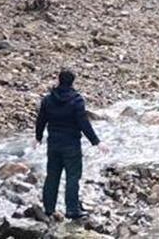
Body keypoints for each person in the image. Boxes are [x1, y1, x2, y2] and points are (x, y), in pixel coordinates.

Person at [35, 70, 103, 220]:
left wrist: (38, 138)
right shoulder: (77, 101)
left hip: (53, 144)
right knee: (72, 177)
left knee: (52, 176)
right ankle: (71, 210)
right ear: (72, 82)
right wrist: (96, 142)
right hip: (71, 145)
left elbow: (41, 120)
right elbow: (84, 124)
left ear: (59, 81)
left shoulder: (48, 100)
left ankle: (48, 208)